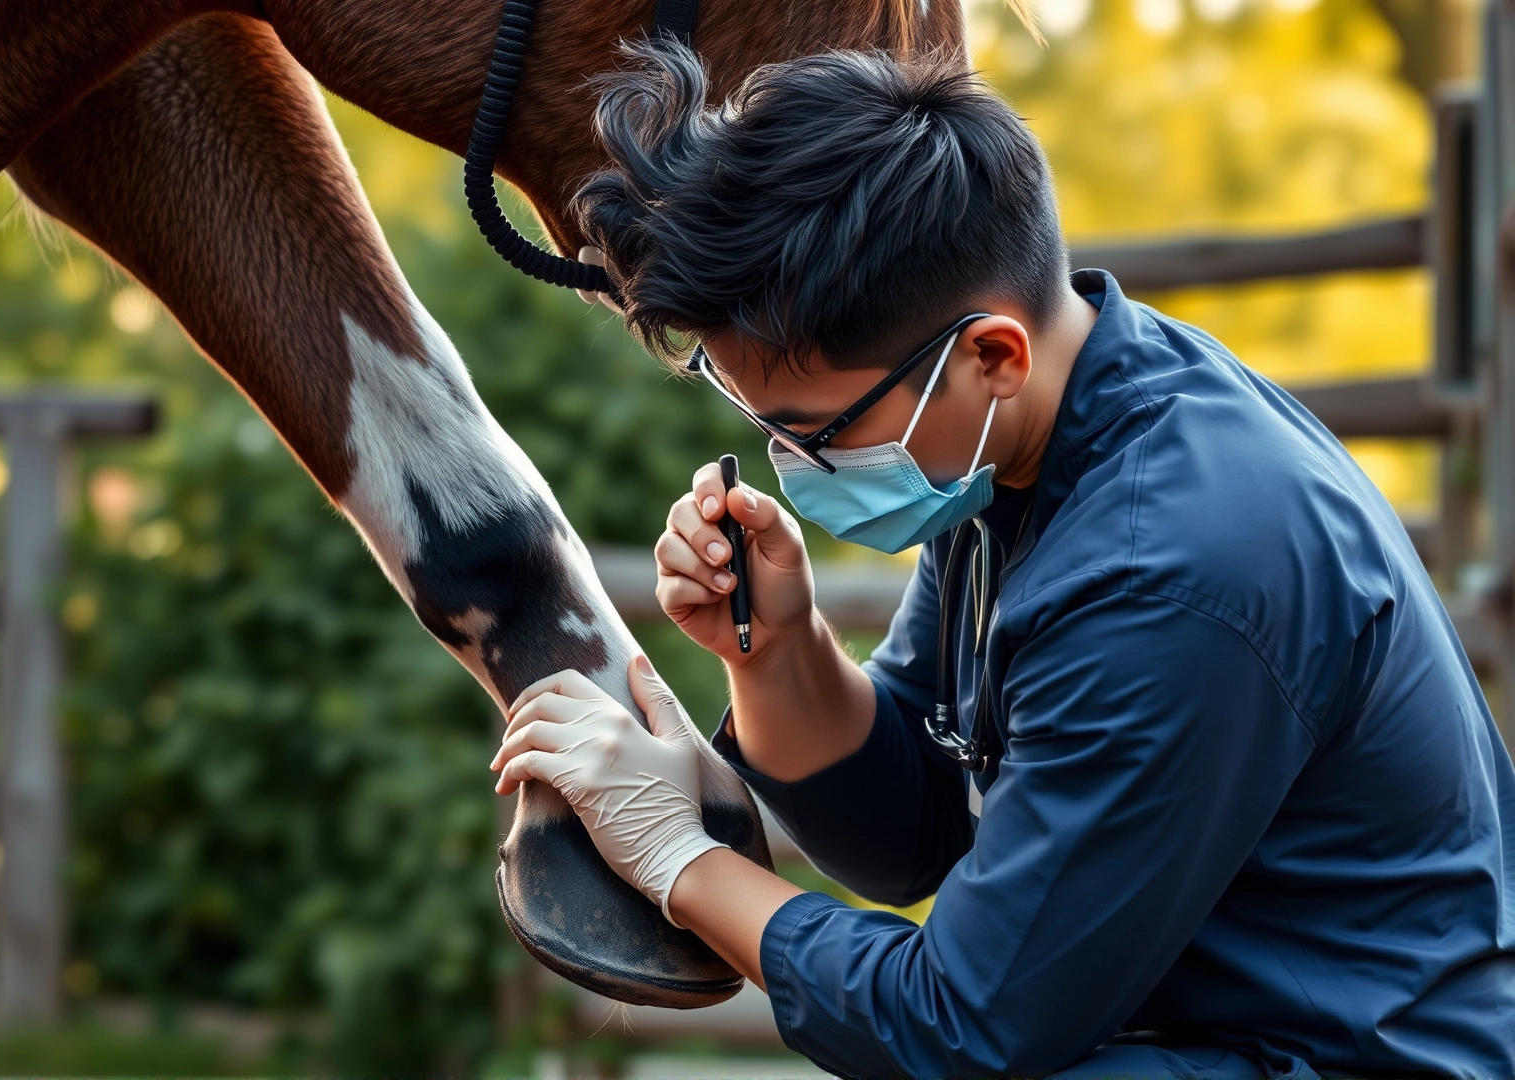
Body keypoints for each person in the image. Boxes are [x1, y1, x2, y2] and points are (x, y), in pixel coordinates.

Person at [488, 44, 1515, 1078]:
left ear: (991, 357)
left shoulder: (1166, 575)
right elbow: (915, 836)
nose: (796, 466)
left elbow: (967, 1028)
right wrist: (778, 654)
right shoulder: (1025, 451)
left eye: (819, 429)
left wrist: (679, 860)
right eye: (763, 428)